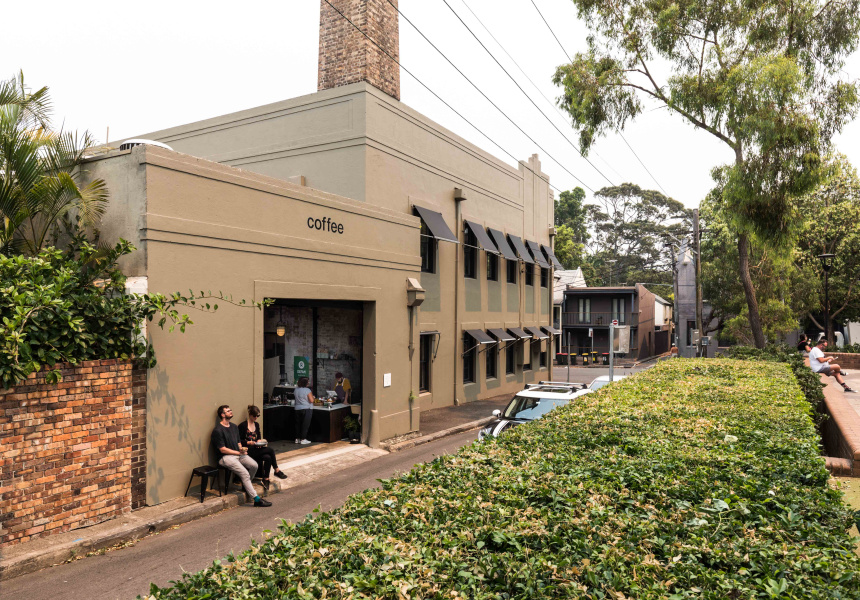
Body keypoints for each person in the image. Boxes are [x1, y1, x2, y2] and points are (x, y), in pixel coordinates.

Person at [211, 405, 272, 507]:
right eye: (228, 411)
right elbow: (222, 449)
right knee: (244, 473)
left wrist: (241, 449)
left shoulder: (234, 427)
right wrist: (238, 453)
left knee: (254, 466)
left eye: (230, 410)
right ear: (222, 415)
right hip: (225, 457)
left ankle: (245, 485)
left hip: (237, 454)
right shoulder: (218, 430)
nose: (231, 411)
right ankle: (256, 499)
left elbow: (238, 442)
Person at [238, 405, 288, 490]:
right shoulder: (243, 426)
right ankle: (276, 470)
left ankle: (266, 479)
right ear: (250, 414)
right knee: (271, 450)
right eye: (254, 416)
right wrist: (249, 442)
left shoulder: (256, 425)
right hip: (247, 450)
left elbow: (258, 438)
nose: (256, 417)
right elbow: (239, 440)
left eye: (258, 416)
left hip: (256, 449)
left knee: (268, 457)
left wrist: (260, 442)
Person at [294, 377, 316, 444]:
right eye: (308, 382)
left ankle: (297, 439)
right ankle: (303, 439)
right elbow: (311, 400)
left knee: (298, 424)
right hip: (306, 409)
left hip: (297, 409)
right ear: (305, 383)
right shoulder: (307, 390)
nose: (308, 383)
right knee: (305, 425)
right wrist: (313, 397)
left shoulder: (296, 390)